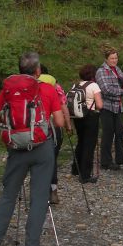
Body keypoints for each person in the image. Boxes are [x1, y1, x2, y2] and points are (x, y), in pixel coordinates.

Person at [0, 52, 64, 246]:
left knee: (8, 195)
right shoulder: (47, 89)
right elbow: (60, 122)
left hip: (16, 149)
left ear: (19, 70)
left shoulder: (8, 91)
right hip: (42, 148)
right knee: (39, 197)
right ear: (38, 71)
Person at [96, 49, 123, 170]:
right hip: (106, 107)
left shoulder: (117, 69)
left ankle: (120, 158)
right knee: (108, 133)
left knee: (120, 132)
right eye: (112, 58)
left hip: (118, 107)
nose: (114, 60)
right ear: (106, 59)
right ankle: (106, 161)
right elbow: (106, 89)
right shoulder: (101, 72)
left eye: (116, 58)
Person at [39, 66, 69, 205]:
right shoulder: (55, 86)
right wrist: (68, 124)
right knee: (52, 160)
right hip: (53, 127)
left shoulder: (30, 86)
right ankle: (53, 191)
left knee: (39, 160)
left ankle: (40, 191)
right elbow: (63, 106)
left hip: (35, 127)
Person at [70, 64, 103, 183]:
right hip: (90, 116)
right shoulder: (94, 85)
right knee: (89, 145)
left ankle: (75, 168)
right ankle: (85, 174)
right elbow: (99, 105)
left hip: (77, 116)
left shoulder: (76, 84)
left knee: (81, 141)